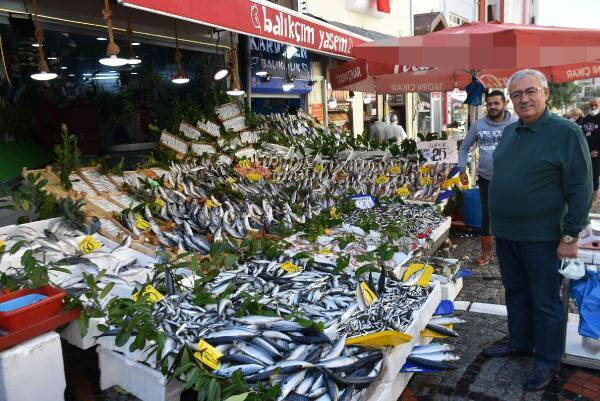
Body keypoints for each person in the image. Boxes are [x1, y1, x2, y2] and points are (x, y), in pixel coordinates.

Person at [486, 69, 592, 391]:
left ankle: (546, 361)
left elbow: (580, 188)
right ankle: (520, 341)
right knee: (515, 292)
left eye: (530, 91)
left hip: (544, 238)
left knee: (545, 301)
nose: (524, 99)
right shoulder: (510, 131)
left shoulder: (566, 132)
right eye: (517, 95)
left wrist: (570, 236)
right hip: (507, 234)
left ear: (546, 93)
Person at [458, 90, 517, 265]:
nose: (492, 107)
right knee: (487, 214)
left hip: (510, 178)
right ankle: (486, 252)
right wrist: (462, 169)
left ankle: (510, 252)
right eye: (489, 104)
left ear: (504, 103)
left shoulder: (515, 123)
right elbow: (463, 148)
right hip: (486, 178)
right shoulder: (478, 125)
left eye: (496, 103)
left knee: (510, 213)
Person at [581, 98, 600, 207]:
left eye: (595, 105)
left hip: (596, 153)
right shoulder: (586, 119)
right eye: (591, 105)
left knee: (595, 175)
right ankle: (586, 194)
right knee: (585, 174)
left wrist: (597, 150)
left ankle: (595, 198)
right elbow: (582, 134)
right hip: (585, 151)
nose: (593, 107)